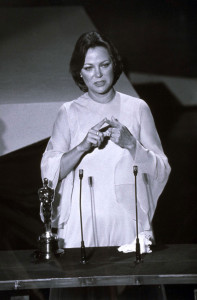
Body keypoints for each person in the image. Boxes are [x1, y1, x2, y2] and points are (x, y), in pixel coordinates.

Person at [41, 31, 171, 298]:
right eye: (89, 68)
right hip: (81, 230)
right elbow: (50, 172)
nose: (98, 74)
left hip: (126, 228)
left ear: (115, 65)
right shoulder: (68, 112)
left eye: (104, 65)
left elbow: (161, 169)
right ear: (80, 73)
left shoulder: (137, 109)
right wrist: (81, 147)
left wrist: (131, 143)